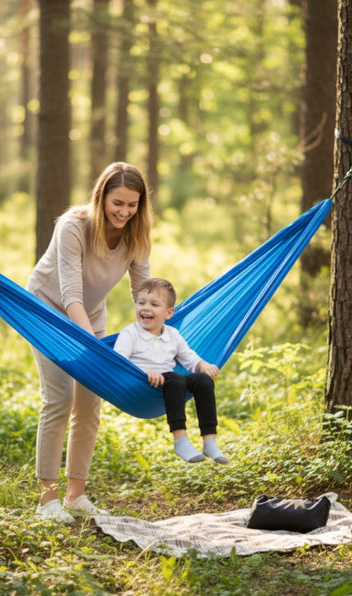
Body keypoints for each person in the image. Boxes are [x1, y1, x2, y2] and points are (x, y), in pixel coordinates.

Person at [26, 162, 152, 522]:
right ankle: (47, 500)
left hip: (92, 317)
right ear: (101, 197)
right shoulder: (73, 227)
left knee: (89, 406)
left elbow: (141, 289)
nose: (125, 212)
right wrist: (94, 348)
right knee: (60, 399)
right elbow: (70, 293)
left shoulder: (135, 233)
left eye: (132, 205)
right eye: (118, 203)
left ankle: (75, 496)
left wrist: (160, 320)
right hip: (47, 313)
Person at [114, 277, 229, 465]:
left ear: (168, 313)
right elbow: (118, 362)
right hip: (142, 385)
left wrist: (203, 365)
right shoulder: (130, 333)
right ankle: (180, 440)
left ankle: (209, 440)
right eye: (141, 302)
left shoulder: (173, 335)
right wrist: (144, 372)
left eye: (154, 304)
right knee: (176, 378)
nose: (146, 308)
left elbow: (189, 358)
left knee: (203, 380)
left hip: (171, 385)